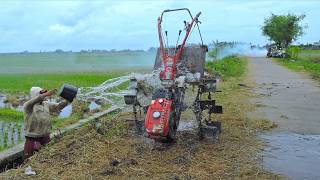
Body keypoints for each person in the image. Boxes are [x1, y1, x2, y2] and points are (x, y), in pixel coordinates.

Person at [23, 87, 68, 158]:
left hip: (46, 137)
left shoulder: (46, 104)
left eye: (44, 93)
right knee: (30, 160)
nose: (44, 95)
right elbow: (36, 99)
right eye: (41, 93)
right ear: (35, 95)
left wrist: (67, 101)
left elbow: (57, 107)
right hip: (33, 139)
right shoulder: (28, 106)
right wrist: (46, 94)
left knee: (46, 158)